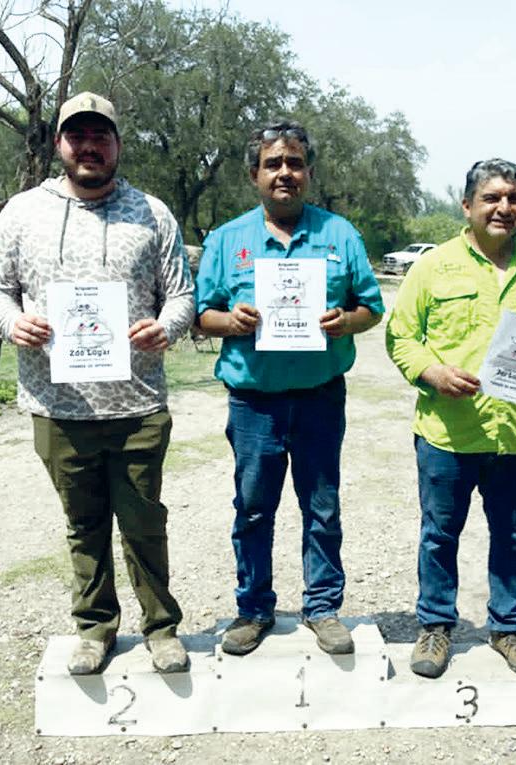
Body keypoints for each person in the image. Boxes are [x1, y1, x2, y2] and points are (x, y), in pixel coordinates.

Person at [0, 92, 194, 675]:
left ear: (117, 144)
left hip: (137, 404)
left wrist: (167, 326)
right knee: (84, 525)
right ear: (60, 144)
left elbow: (180, 295)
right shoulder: (23, 212)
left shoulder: (153, 213)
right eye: (78, 136)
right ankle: (95, 628)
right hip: (58, 405)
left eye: (101, 136)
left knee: (144, 522)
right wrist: (12, 322)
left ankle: (161, 628)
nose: (89, 146)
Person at [385, 158, 516, 679]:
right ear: (467, 206)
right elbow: (401, 335)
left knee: (514, 537)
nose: (504, 208)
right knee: (440, 535)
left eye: (514, 198)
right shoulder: (433, 267)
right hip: (448, 433)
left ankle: (507, 628)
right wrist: (432, 372)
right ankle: (436, 626)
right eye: (492, 198)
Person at [195, 121, 385, 656]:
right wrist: (230, 321)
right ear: (254, 175)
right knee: (253, 508)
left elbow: (371, 307)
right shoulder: (227, 240)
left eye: (295, 163)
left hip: (320, 396)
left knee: (322, 506)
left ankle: (322, 607)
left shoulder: (340, 235)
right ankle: (253, 609)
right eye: (273, 164)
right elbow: (200, 316)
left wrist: (346, 321)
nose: (285, 173)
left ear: (309, 172)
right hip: (254, 401)